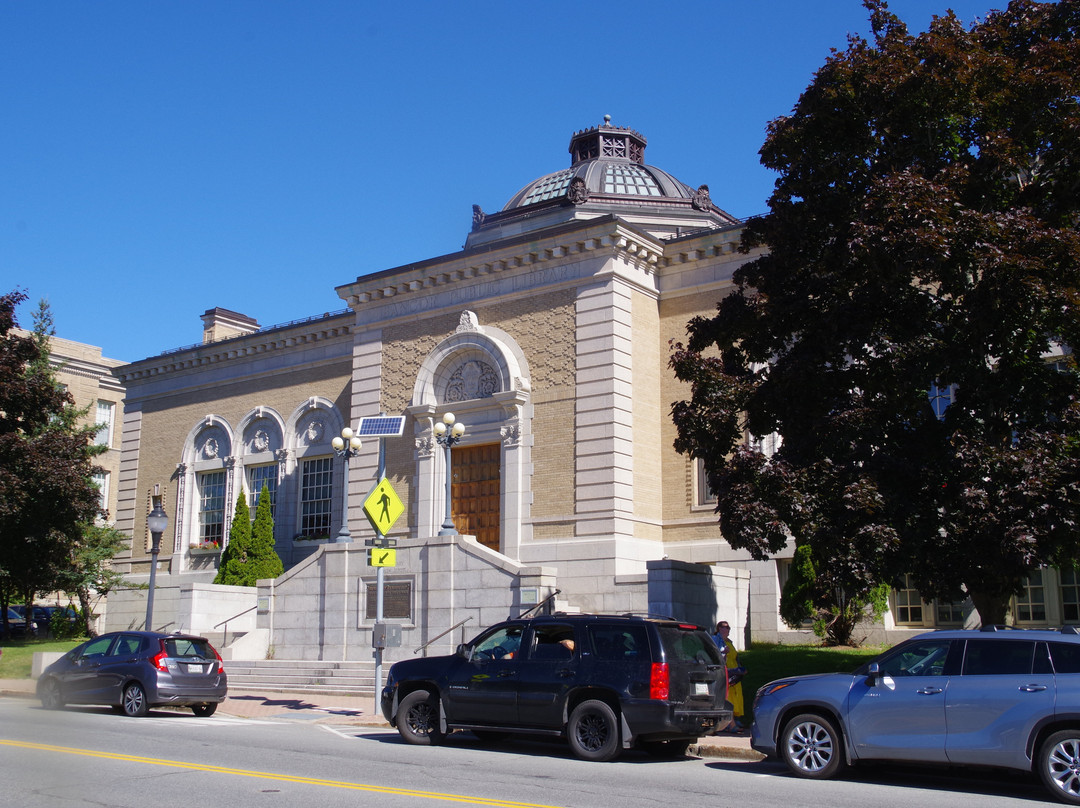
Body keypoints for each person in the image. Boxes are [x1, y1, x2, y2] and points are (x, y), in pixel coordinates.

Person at [713, 621, 747, 730]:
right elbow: (716, 655)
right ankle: (730, 723)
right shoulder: (717, 640)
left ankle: (734, 720)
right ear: (719, 628)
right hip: (726, 670)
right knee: (728, 697)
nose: (727, 629)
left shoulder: (729, 642)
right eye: (725, 627)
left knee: (736, 696)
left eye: (728, 627)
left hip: (734, 671)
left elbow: (735, 657)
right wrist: (723, 652)